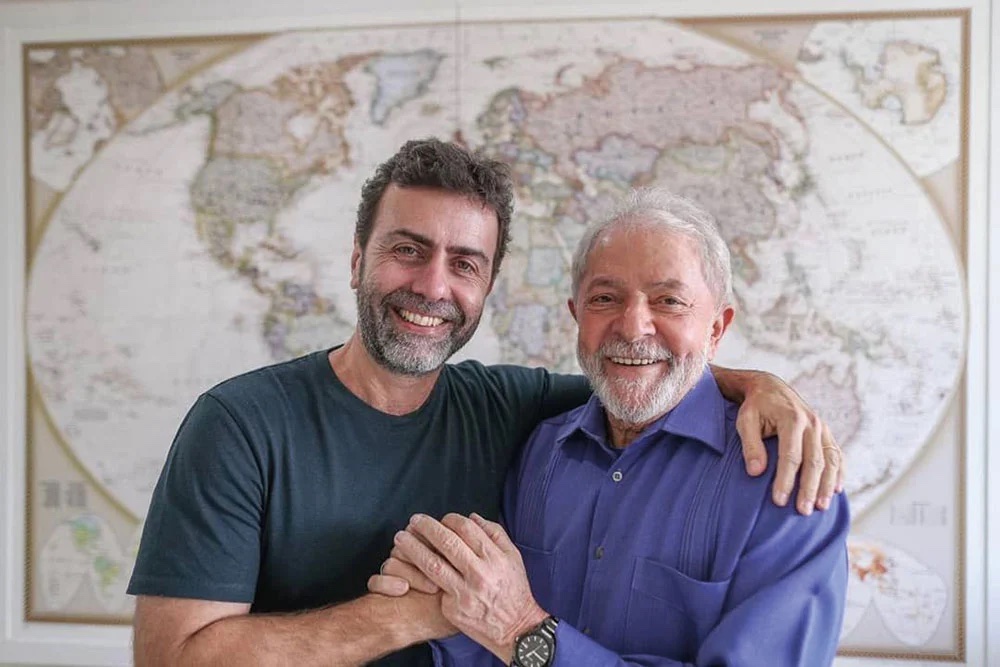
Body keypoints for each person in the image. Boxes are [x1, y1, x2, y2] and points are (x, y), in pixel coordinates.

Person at [128, 140, 843, 667]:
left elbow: (646, 380)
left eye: (464, 263)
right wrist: (404, 617)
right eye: (408, 249)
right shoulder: (239, 425)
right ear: (356, 259)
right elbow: (170, 660)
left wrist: (754, 383)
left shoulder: (523, 417)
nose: (434, 286)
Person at [372, 187, 850, 666]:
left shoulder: (789, 487)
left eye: (668, 301)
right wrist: (440, 603)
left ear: (716, 329)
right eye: (605, 298)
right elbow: (485, 639)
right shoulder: (540, 450)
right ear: (576, 315)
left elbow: (509, 631)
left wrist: (521, 631)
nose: (633, 326)